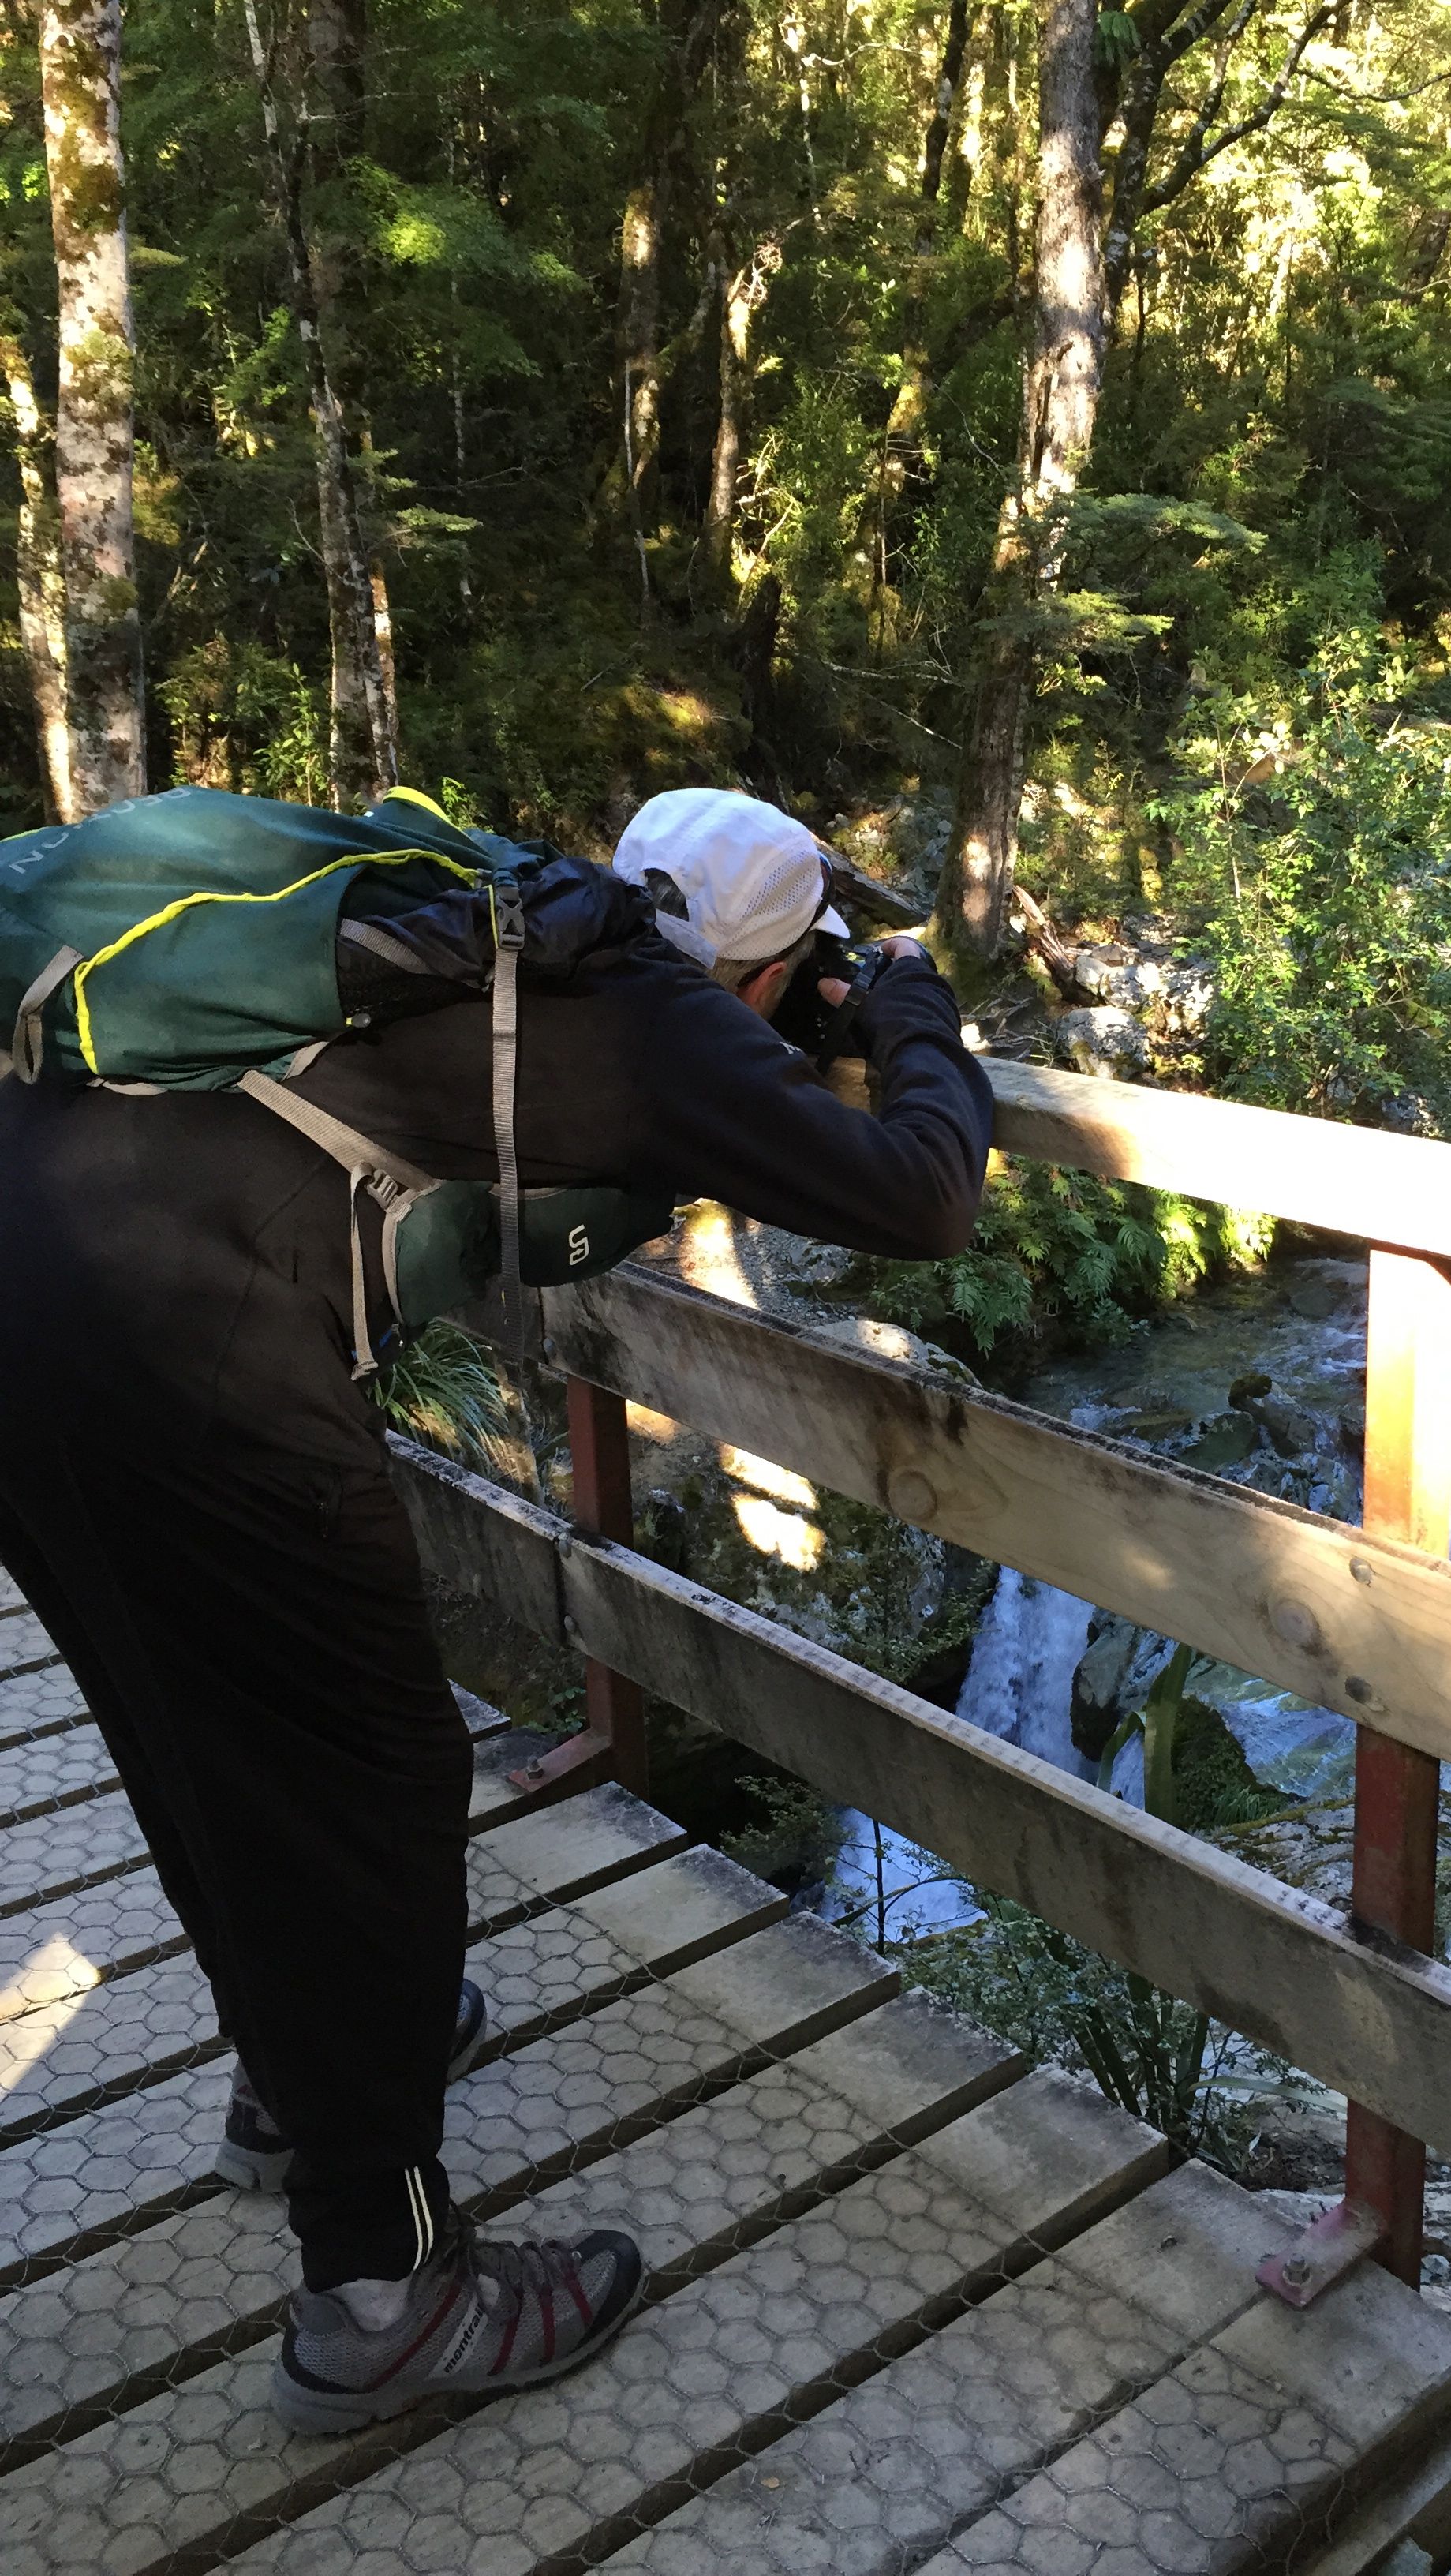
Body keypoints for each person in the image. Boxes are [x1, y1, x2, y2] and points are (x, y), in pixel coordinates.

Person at [0, 784, 991, 2433]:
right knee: (370, 1777)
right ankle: (377, 2290)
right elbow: (923, 1194)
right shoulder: (655, 1018)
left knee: (206, 1737)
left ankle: (303, 2079)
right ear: (768, 963)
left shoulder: (501, 928)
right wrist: (909, 1011)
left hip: (41, 1285)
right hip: (180, 1351)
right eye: (814, 952)